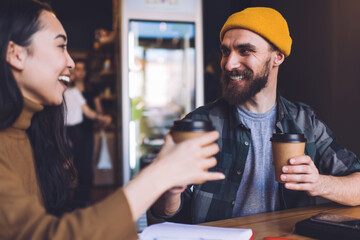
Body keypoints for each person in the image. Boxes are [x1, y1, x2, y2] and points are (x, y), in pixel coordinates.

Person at [0, 1, 225, 239]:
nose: (71, 62)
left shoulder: (29, 131)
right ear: (17, 54)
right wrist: (161, 173)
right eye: (60, 46)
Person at [151, 7, 360, 224]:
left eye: (245, 51)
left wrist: (318, 183)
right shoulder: (199, 124)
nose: (229, 63)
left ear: (277, 57)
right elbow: (161, 214)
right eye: (226, 51)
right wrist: (171, 190)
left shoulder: (305, 122)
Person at [64, 59, 107, 208]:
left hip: (79, 132)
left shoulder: (69, 91)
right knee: (78, 167)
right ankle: (78, 200)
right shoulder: (69, 91)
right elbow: (87, 112)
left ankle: (79, 199)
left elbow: (91, 111)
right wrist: (103, 118)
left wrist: (100, 119)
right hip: (71, 132)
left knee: (78, 166)